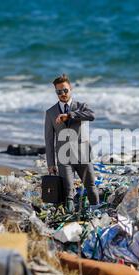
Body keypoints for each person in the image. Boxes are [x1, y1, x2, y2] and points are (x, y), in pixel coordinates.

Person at [44, 74, 99, 213]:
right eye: (59, 91)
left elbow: (92, 116)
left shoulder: (81, 106)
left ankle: (96, 213)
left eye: (65, 90)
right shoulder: (50, 112)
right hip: (64, 157)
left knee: (91, 186)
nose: (63, 94)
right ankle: (69, 218)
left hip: (83, 155)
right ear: (56, 92)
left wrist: (69, 116)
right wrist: (51, 163)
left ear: (71, 89)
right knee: (68, 191)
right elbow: (49, 140)